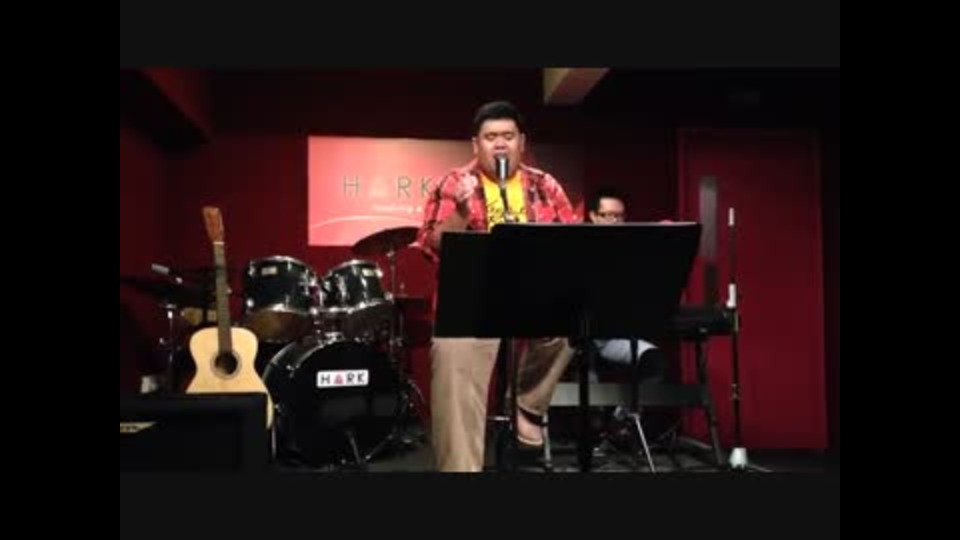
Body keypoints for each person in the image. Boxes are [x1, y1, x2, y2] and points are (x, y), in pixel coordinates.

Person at [416, 100, 580, 472]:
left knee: (574, 315)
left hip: (534, 297)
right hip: (472, 304)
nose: (501, 144)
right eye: (491, 137)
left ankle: (526, 405)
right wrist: (461, 213)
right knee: (451, 356)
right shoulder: (454, 183)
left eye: (508, 136)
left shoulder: (544, 184)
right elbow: (430, 244)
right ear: (476, 145)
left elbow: (571, 242)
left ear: (522, 142)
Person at [585, 186, 665, 383]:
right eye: (608, 215)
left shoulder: (632, 253)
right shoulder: (579, 249)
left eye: (619, 216)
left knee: (653, 359)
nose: (614, 221)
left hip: (612, 337)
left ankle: (634, 405)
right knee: (584, 366)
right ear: (593, 216)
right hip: (579, 336)